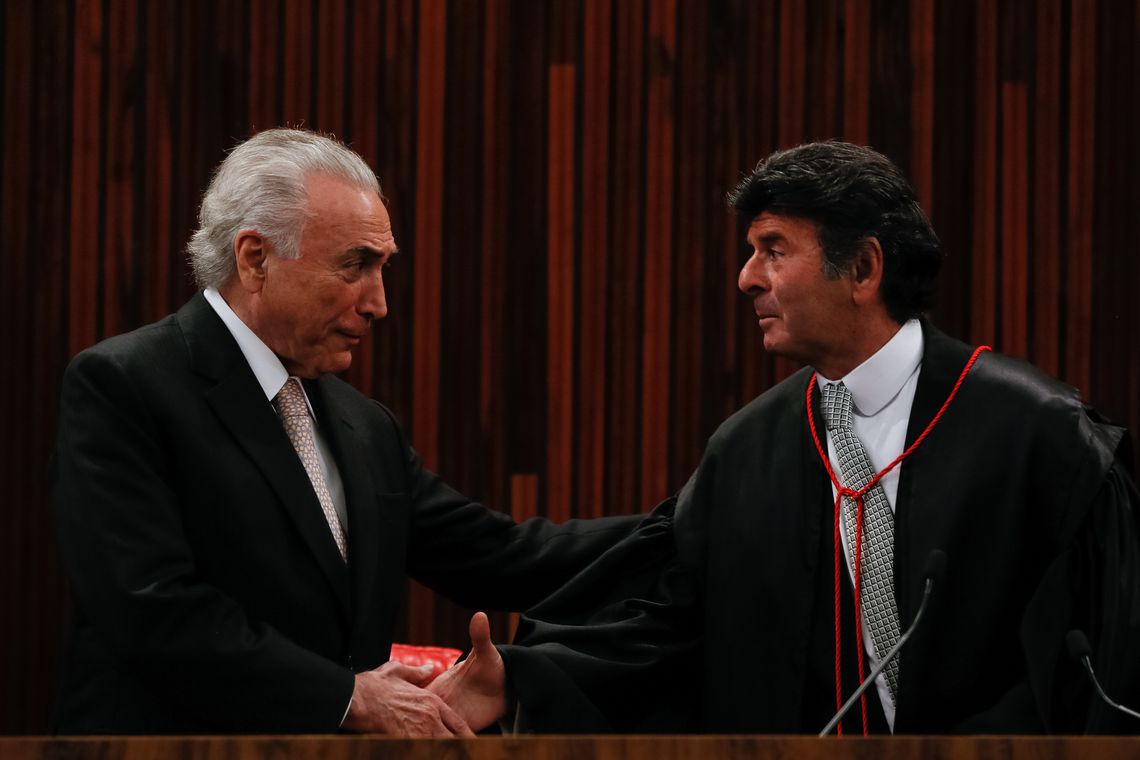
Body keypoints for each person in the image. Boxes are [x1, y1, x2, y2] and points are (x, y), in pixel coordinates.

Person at [430, 141, 1140, 734]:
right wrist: (521, 677)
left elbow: (1099, 665)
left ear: (863, 268)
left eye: (773, 250)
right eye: (751, 251)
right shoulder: (749, 449)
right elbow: (666, 627)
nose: (746, 278)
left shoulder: (1039, 436)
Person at [50, 128, 638, 735]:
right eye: (356, 265)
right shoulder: (124, 385)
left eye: (382, 268)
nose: (378, 303)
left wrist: (680, 527)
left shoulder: (365, 425)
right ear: (255, 259)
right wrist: (347, 699)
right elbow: (150, 609)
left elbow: (500, 557)